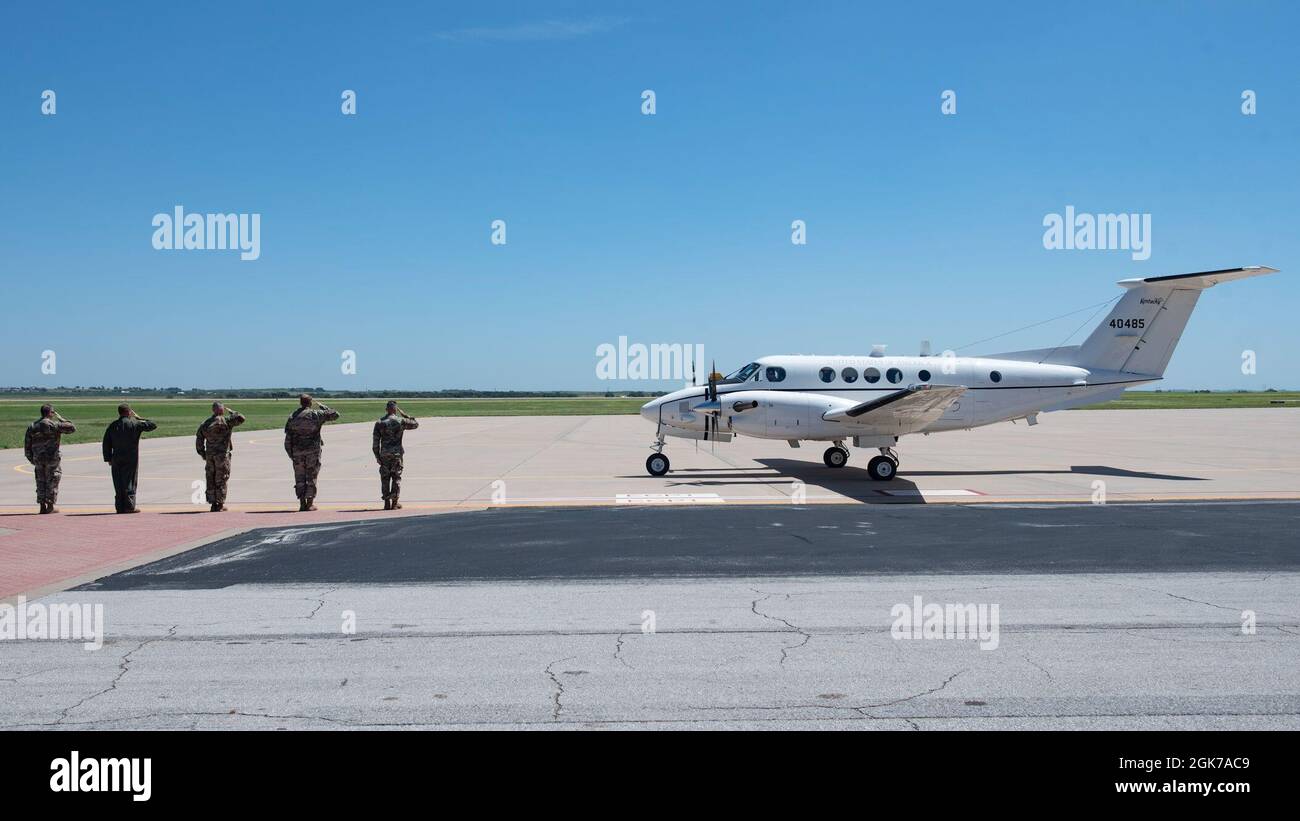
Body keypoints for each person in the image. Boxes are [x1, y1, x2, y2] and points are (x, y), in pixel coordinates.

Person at [283, 393, 339, 511]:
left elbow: (288, 439)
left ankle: (302, 503)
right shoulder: (315, 414)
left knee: (299, 477)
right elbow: (335, 415)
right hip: (312, 451)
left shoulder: (293, 416)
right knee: (311, 476)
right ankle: (310, 503)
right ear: (310, 403)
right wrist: (323, 407)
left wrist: (291, 454)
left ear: (300, 403)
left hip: (297, 452)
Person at [102, 404, 157, 513]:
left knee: (118, 482)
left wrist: (108, 457)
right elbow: (152, 425)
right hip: (130, 458)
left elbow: (106, 443)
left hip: (116, 457)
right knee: (130, 481)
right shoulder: (134, 424)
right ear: (129, 412)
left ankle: (119, 507)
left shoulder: (113, 425)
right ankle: (129, 506)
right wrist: (139, 418)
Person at [23, 404, 76, 514]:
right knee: (52, 480)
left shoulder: (33, 426)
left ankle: (42, 505)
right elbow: (71, 428)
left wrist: (32, 459)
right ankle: (50, 505)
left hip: (38, 458)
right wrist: (60, 418)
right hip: (51, 458)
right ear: (50, 413)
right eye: (53, 412)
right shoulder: (54, 425)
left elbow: (27, 445)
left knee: (40, 481)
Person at [195, 402, 246, 512]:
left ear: (213, 410)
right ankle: (220, 503)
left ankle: (213, 503)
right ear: (222, 410)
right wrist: (232, 411)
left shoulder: (205, 424)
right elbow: (241, 418)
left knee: (211, 478)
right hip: (222, 456)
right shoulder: (227, 421)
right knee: (222, 478)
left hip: (210, 456)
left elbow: (199, 441)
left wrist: (203, 454)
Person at [372, 401, 419, 510]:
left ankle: (386, 502)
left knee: (385, 478)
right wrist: (405, 415)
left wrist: (377, 456)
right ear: (395, 409)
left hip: (384, 454)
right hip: (397, 454)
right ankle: (395, 502)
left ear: (386, 409)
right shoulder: (401, 421)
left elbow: (375, 443)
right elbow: (415, 424)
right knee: (396, 477)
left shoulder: (379, 423)